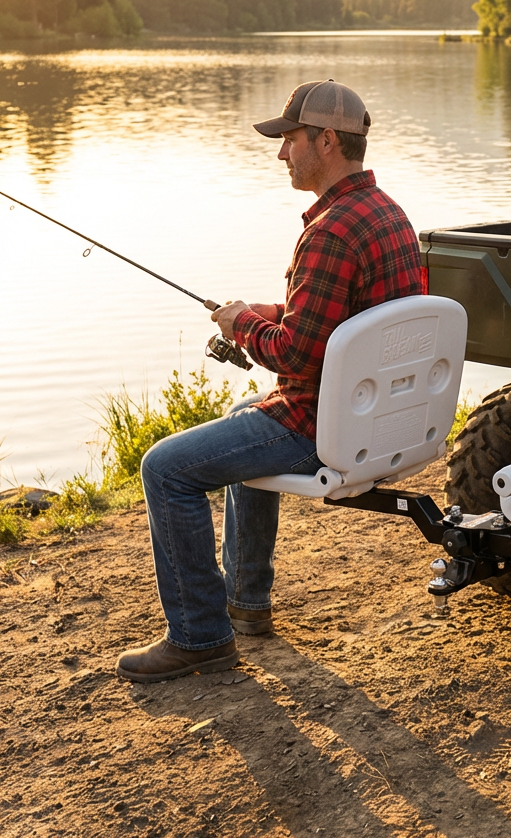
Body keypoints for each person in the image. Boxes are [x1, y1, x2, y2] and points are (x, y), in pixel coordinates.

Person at [116, 80, 423, 683]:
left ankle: (200, 636)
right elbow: (343, 321)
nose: (282, 153)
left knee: (164, 467)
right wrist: (267, 313)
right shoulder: (386, 213)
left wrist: (246, 326)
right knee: (240, 412)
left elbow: (294, 358)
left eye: (289, 139)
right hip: (376, 410)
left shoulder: (330, 231)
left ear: (326, 140)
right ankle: (246, 604)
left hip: (324, 422)